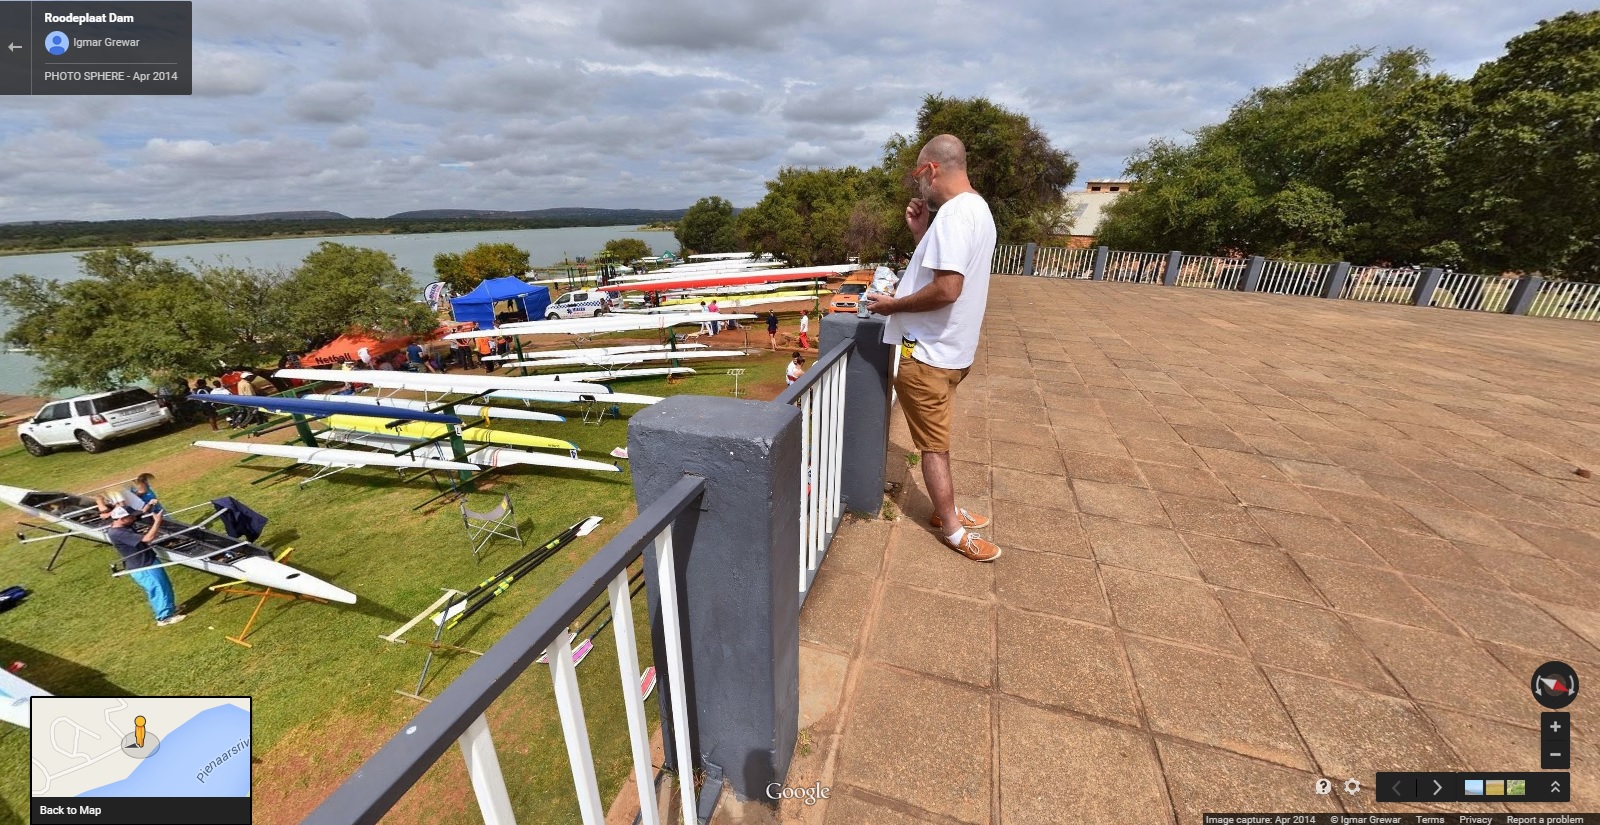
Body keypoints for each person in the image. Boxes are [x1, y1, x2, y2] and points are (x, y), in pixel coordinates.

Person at [864, 134, 1000, 563]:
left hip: (925, 354)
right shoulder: (976, 209)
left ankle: (951, 527)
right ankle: (948, 511)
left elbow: (946, 288)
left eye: (917, 174)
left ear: (932, 169)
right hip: (954, 351)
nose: (917, 185)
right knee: (937, 439)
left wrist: (890, 306)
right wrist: (922, 234)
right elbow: (945, 271)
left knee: (933, 448)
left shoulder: (955, 217)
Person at [96, 501, 185, 626]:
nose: (134, 518)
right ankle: (164, 618)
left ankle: (170, 608)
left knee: (164, 586)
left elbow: (141, 513)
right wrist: (157, 521)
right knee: (158, 589)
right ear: (122, 519)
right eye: (131, 516)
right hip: (142, 567)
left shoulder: (124, 523)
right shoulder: (118, 533)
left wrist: (149, 505)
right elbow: (147, 539)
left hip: (148, 560)